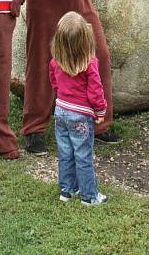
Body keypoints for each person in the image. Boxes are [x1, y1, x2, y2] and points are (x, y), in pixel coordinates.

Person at [49, 12, 108, 206]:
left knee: (65, 153)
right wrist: (100, 112)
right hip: (81, 116)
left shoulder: (55, 61)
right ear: (86, 40)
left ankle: (67, 190)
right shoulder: (90, 64)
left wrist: (60, 96)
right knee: (83, 155)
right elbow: (95, 91)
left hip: (61, 111)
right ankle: (89, 196)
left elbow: (54, 83)